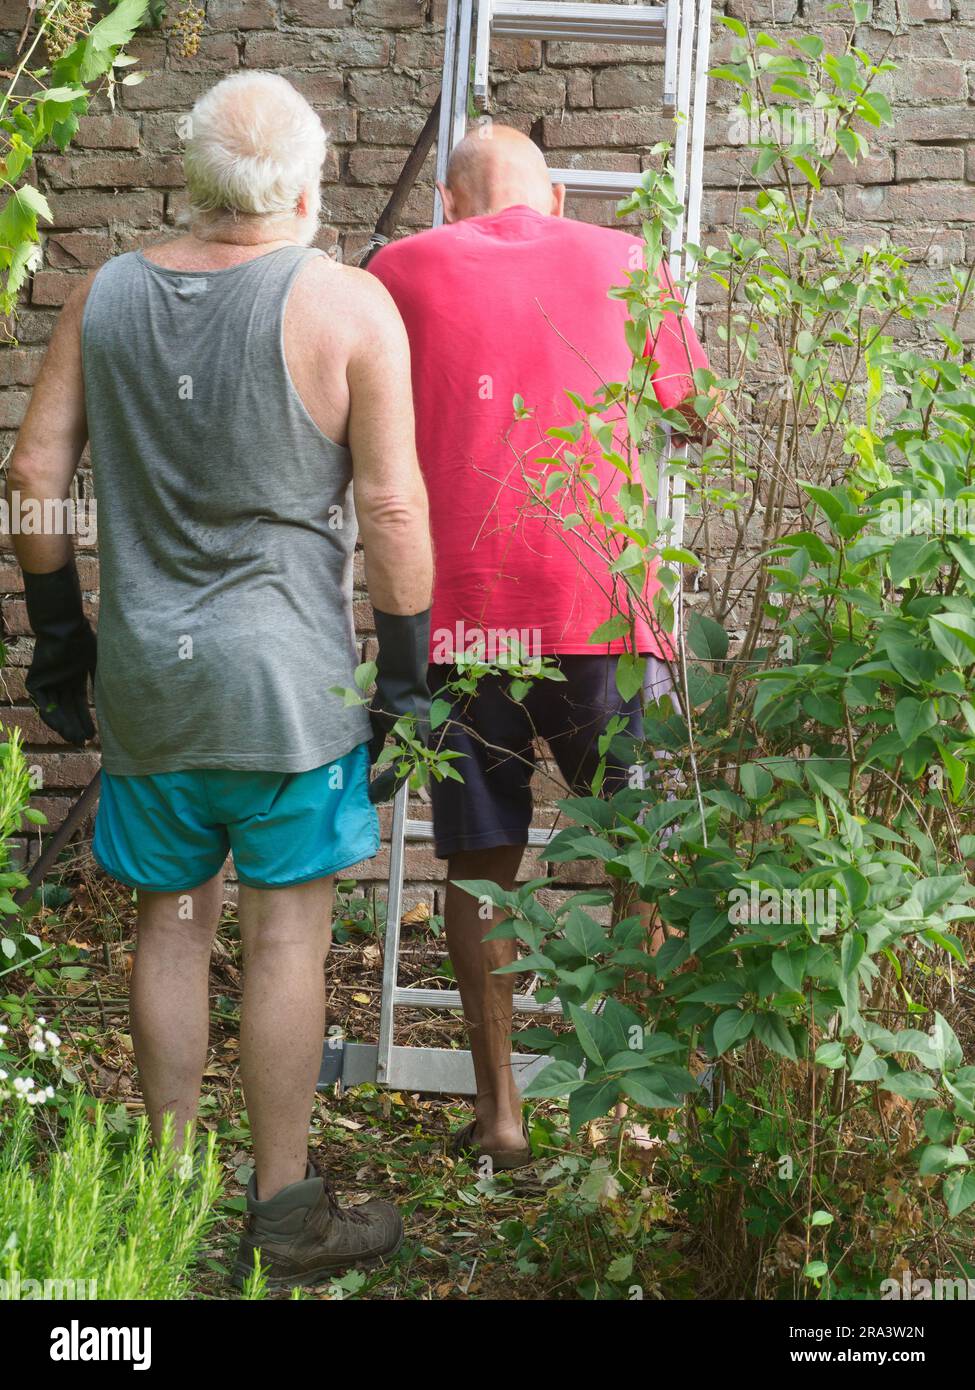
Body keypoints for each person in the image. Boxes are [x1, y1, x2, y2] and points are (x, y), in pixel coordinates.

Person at [7, 71, 433, 1289]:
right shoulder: (348, 307)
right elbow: (393, 503)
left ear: (190, 178)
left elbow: (36, 472)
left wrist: (58, 634)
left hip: (152, 676)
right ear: (304, 183)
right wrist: (404, 678)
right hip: (291, 692)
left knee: (173, 922)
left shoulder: (104, 296)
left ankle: (168, 1185)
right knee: (288, 932)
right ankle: (285, 1208)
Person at [369, 124, 716, 1169]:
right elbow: (696, 413)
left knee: (480, 866)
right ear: (556, 194)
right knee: (639, 855)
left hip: (459, 611)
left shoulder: (396, 270)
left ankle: (503, 1117)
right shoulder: (629, 261)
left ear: (444, 195)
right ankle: (630, 1100)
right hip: (598, 607)